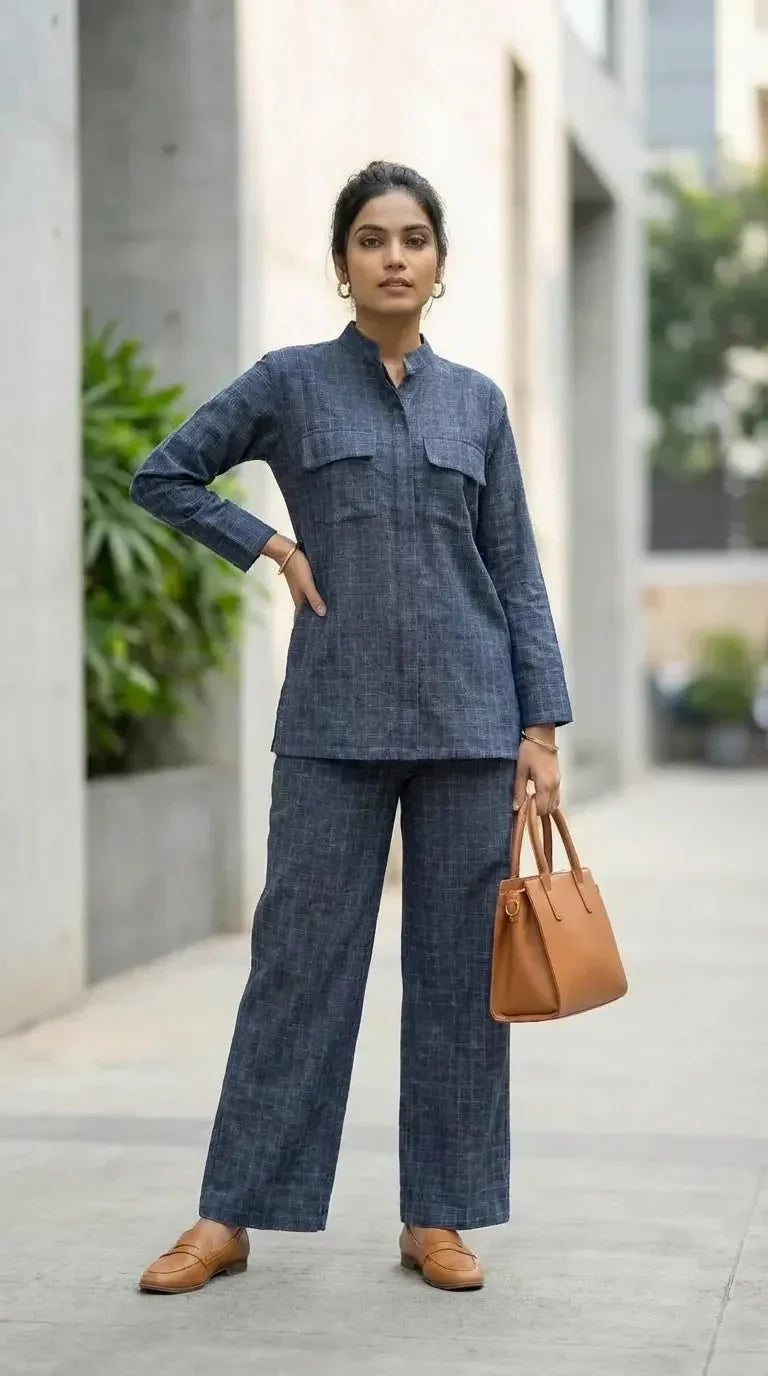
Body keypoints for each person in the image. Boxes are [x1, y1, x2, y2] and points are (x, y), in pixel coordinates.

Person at [131, 161, 571, 1295]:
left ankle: (440, 1214)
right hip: (331, 720)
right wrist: (269, 545)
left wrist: (542, 725)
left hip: (471, 722)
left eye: (414, 238)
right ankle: (228, 1214)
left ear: (438, 263)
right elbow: (164, 472)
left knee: (458, 974)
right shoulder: (289, 382)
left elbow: (515, 567)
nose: (393, 256)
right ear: (342, 262)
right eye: (371, 238)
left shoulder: (477, 401)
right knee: (297, 966)